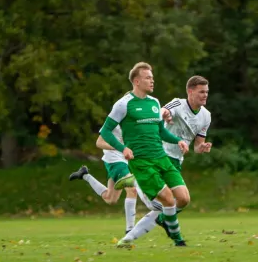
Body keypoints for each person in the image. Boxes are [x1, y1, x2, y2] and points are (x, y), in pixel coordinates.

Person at [99, 62, 190, 247]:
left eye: (152, 78)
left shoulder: (155, 102)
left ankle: (164, 224)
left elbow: (160, 131)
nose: (152, 81)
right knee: (167, 199)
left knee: (184, 198)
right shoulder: (123, 104)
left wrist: (177, 140)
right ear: (137, 81)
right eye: (148, 78)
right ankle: (178, 239)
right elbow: (105, 131)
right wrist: (122, 148)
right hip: (141, 162)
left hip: (161, 157)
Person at [152, 75, 212, 234]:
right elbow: (162, 111)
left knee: (183, 200)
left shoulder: (206, 116)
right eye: (201, 92)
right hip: (160, 154)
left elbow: (197, 147)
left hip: (177, 160)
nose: (205, 95)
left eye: (206, 92)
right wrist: (163, 115)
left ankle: (163, 219)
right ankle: (135, 231)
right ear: (190, 92)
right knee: (165, 199)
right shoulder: (178, 103)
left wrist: (202, 147)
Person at [68, 119, 138, 234]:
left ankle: (85, 175)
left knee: (110, 199)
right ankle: (130, 231)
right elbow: (99, 142)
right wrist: (118, 147)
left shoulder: (134, 122)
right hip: (115, 161)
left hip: (123, 161)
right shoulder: (114, 121)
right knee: (132, 189)